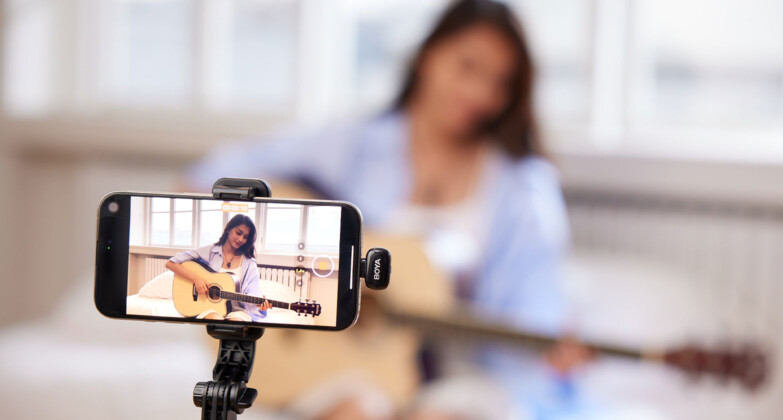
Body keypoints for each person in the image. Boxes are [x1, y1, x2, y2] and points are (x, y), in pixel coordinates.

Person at [186, 0, 585, 417]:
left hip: (462, 373)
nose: (480, 93)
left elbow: (534, 309)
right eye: (468, 67)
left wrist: (550, 349)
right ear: (428, 55)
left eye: (500, 82)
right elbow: (206, 179)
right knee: (359, 408)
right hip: (343, 369)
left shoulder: (524, 187)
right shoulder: (355, 142)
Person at [165, 214, 272, 322]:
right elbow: (171, 263)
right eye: (238, 233)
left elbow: (252, 293)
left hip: (237, 311)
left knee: (236, 323)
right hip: (209, 309)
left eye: (245, 237)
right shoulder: (210, 251)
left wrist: (260, 306)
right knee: (215, 319)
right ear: (229, 229)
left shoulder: (249, 263)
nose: (241, 239)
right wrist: (196, 279)